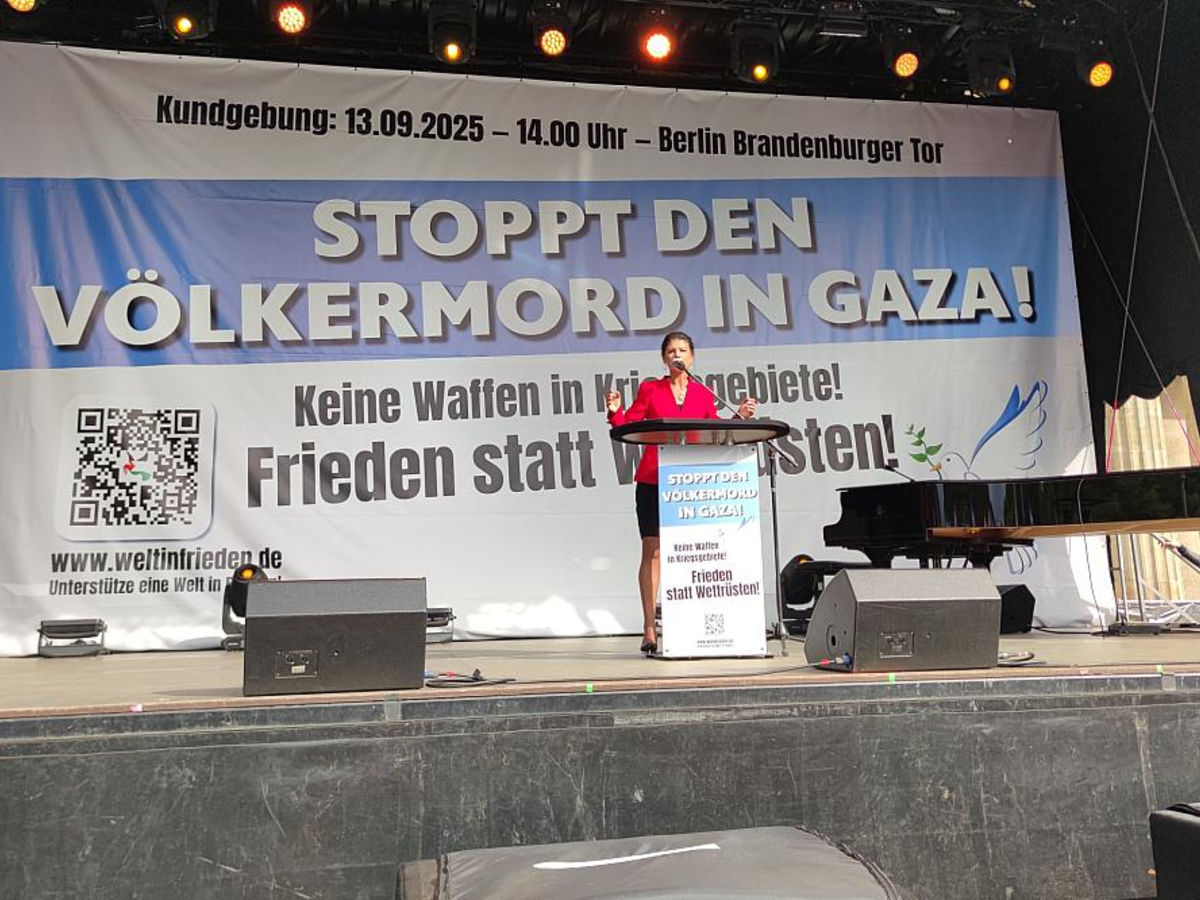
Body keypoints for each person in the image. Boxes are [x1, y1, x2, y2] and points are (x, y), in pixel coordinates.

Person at [604, 332, 757, 655]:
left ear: (692, 357)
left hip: (691, 482)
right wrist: (615, 411)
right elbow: (629, 425)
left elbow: (715, 431)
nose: (677, 355)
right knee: (653, 551)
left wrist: (739, 418)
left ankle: (691, 624)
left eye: (683, 350)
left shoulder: (702, 392)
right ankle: (649, 627)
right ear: (664, 358)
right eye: (672, 350)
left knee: (693, 550)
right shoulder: (651, 389)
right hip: (653, 480)